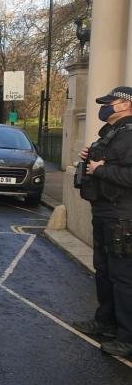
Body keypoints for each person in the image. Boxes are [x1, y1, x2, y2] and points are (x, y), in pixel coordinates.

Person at [73, 86, 132, 358]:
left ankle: (127, 338)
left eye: (111, 102)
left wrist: (101, 169)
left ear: (126, 105)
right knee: (105, 271)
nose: (106, 107)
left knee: (123, 277)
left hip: (122, 214)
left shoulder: (130, 134)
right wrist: (89, 158)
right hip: (105, 210)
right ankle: (105, 322)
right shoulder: (112, 133)